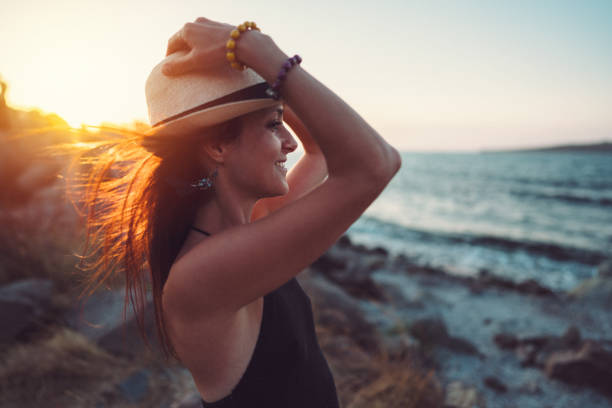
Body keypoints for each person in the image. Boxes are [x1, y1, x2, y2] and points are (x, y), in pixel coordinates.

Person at [75, 17, 401, 407]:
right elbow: (375, 164)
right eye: (273, 126)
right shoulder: (202, 275)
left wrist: (266, 78)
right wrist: (253, 48)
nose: (289, 143)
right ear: (217, 147)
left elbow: (317, 149)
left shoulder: (252, 225)